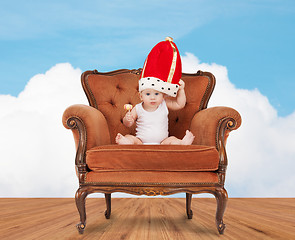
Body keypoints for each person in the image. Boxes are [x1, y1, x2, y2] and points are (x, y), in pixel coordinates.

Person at [115, 37, 195, 145]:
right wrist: (127, 119)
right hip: (141, 142)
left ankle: (181, 143)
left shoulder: (164, 104)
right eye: (148, 94)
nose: (152, 97)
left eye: (157, 94)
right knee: (131, 138)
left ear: (163, 95)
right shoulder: (138, 108)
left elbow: (179, 104)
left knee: (172, 140)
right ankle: (126, 141)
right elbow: (128, 124)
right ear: (141, 96)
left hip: (163, 142)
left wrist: (181, 90)